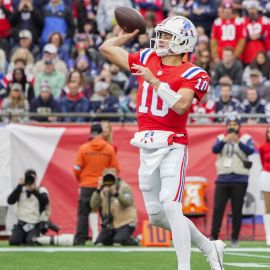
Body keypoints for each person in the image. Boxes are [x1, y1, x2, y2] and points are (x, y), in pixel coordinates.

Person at [100, 15, 225, 270]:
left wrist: (154, 81)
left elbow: (180, 106)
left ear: (183, 42)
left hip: (173, 144)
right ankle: (209, 247)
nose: (161, 40)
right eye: (162, 34)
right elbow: (107, 49)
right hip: (147, 144)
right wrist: (128, 34)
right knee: (157, 215)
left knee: (171, 204)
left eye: (167, 36)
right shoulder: (148, 58)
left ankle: (183, 267)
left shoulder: (193, 72)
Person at [211, 114, 255, 247]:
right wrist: (225, 140)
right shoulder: (221, 138)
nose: (232, 127)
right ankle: (214, 237)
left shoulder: (246, 138)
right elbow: (215, 149)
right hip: (223, 178)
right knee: (218, 209)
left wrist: (238, 141)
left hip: (240, 179)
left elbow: (250, 151)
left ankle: (235, 239)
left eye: (234, 124)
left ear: (239, 126)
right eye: (229, 124)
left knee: (237, 210)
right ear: (226, 126)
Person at [73, 123, 120, 245]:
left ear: (91, 133)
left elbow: (76, 168)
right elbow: (115, 169)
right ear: (101, 133)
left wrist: (81, 180)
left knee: (84, 213)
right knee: (105, 213)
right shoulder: (109, 149)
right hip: (103, 185)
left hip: (86, 185)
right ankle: (105, 238)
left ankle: (80, 239)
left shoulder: (84, 148)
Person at [91, 169, 137, 246]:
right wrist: (98, 190)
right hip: (110, 224)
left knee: (118, 242)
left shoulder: (124, 187)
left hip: (125, 222)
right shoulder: (103, 189)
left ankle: (133, 241)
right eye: (106, 177)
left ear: (116, 177)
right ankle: (115, 237)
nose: (109, 180)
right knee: (100, 243)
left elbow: (128, 203)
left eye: (111, 177)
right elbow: (93, 206)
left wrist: (116, 193)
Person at [7, 169, 49, 245]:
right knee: (13, 242)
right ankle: (25, 237)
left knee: (31, 242)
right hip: (21, 224)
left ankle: (36, 236)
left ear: (36, 179)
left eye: (32, 178)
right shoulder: (20, 189)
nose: (30, 180)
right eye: (28, 178)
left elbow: (45, 202)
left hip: (35, 224)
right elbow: (10, 201)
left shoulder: (41, 189)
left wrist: (34, 191)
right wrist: (19, 186)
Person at [258, 126, 270, 246]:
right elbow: (262, 161)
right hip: (267, 175)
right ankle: (268, 236)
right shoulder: (263, 147)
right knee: (268, 207)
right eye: (269, 132)